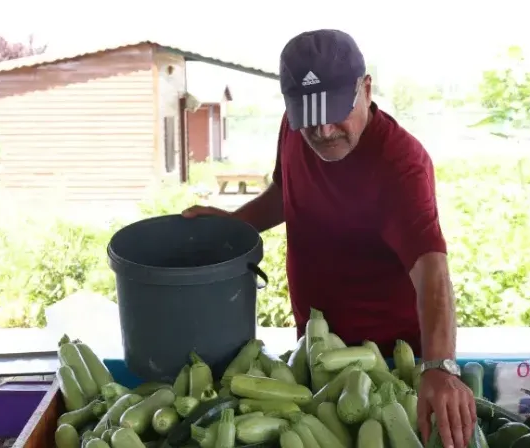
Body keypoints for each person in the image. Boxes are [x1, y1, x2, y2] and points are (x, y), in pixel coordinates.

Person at [183, 29, 475, 447]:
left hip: (386, 361)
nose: (322, 129)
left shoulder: (400, 164)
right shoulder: (292, 127)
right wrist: (234, 226)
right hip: (314, 349)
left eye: (336, 110)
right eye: (308, 114)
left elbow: (432, 269)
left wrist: (440, 367)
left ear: (367, 89)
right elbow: (286, 193)